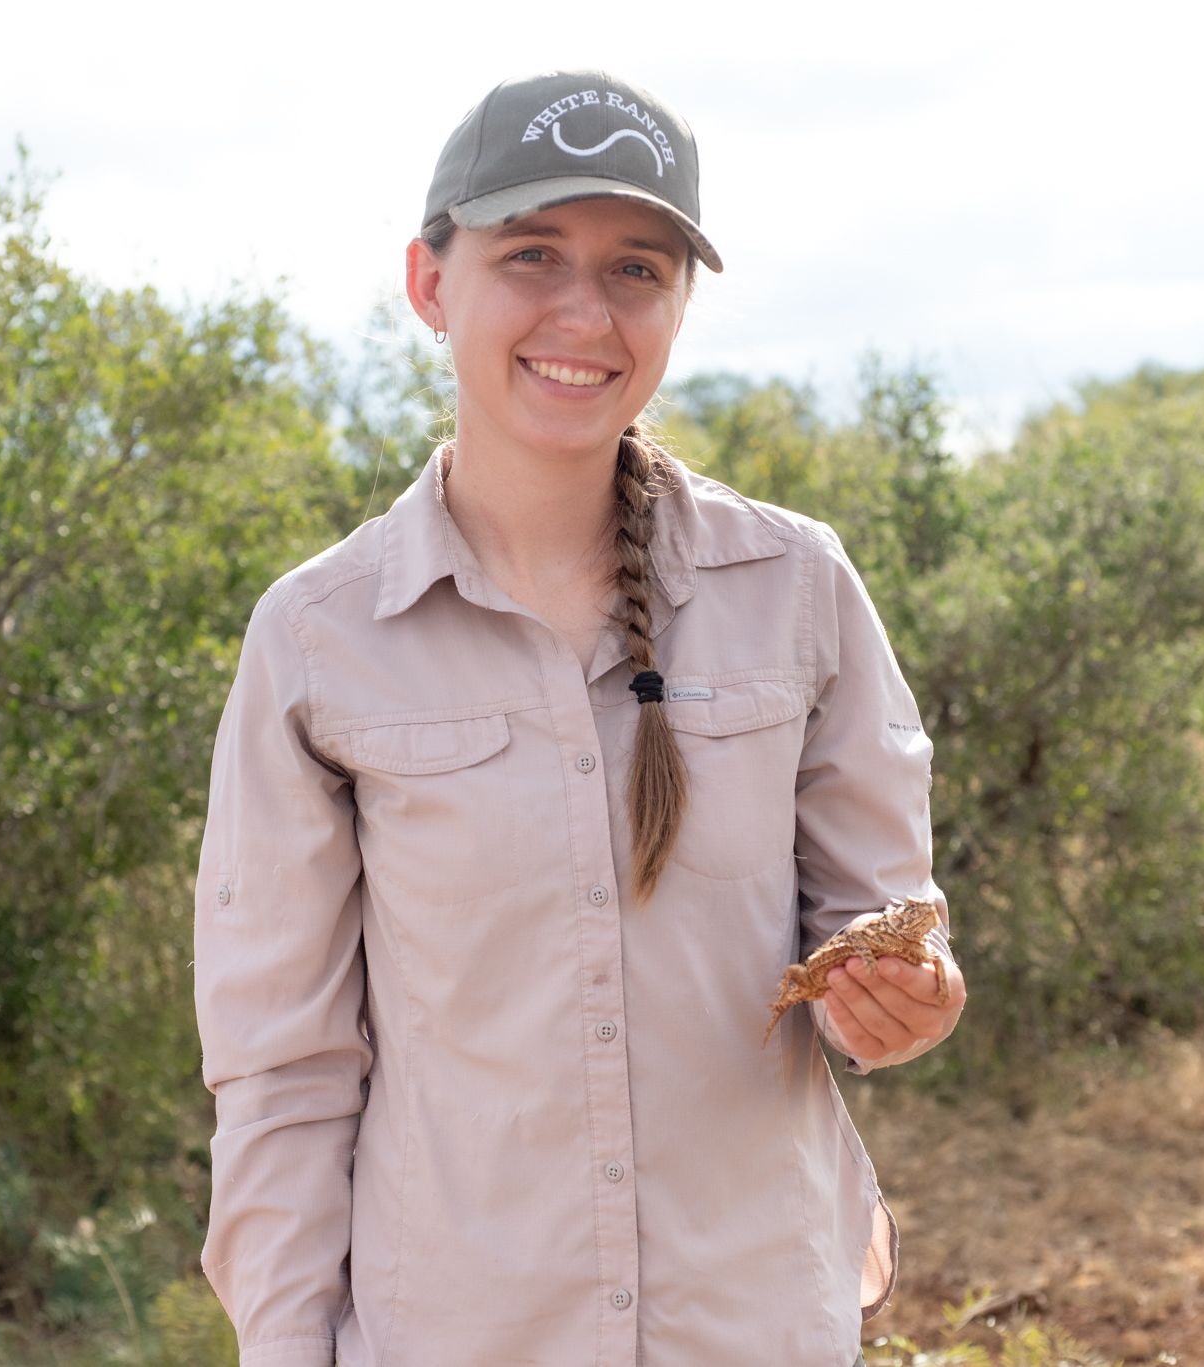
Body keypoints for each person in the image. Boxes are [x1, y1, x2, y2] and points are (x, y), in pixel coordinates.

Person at [193, 69, 965, 1367]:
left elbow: (877, 926)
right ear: (432, 284)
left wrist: (899, 1005)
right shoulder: (320, 641)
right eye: (532, 254)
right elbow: (284, 1069)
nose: (584, 314)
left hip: (756, 1324)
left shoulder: (797, 588)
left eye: (637, 270)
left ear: (679, 303)